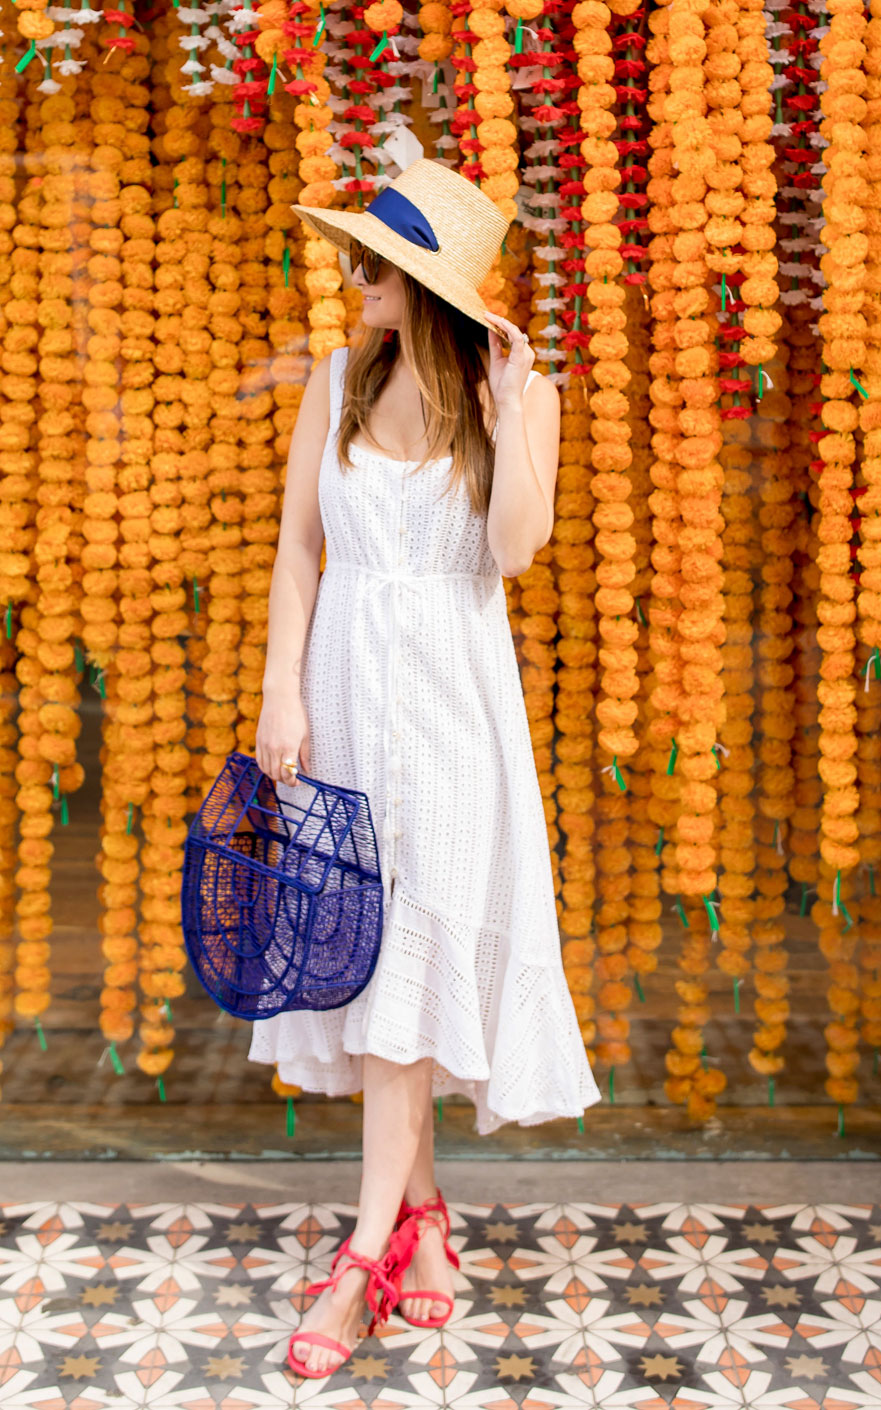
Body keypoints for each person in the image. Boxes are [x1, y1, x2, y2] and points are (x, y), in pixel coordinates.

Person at [249, 158, 599, 1379]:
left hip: (454, 717)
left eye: (370, 262)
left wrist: (510, 419)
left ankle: (359, 1262)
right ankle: (428, 1218)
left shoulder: (521, 397)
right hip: (344, 704)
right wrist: (279, 691)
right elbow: (299, 555)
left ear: (419, 284)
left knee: (415, 956)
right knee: (378, 960)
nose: (350, 275)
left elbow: (510, 555)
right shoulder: (338, 384)